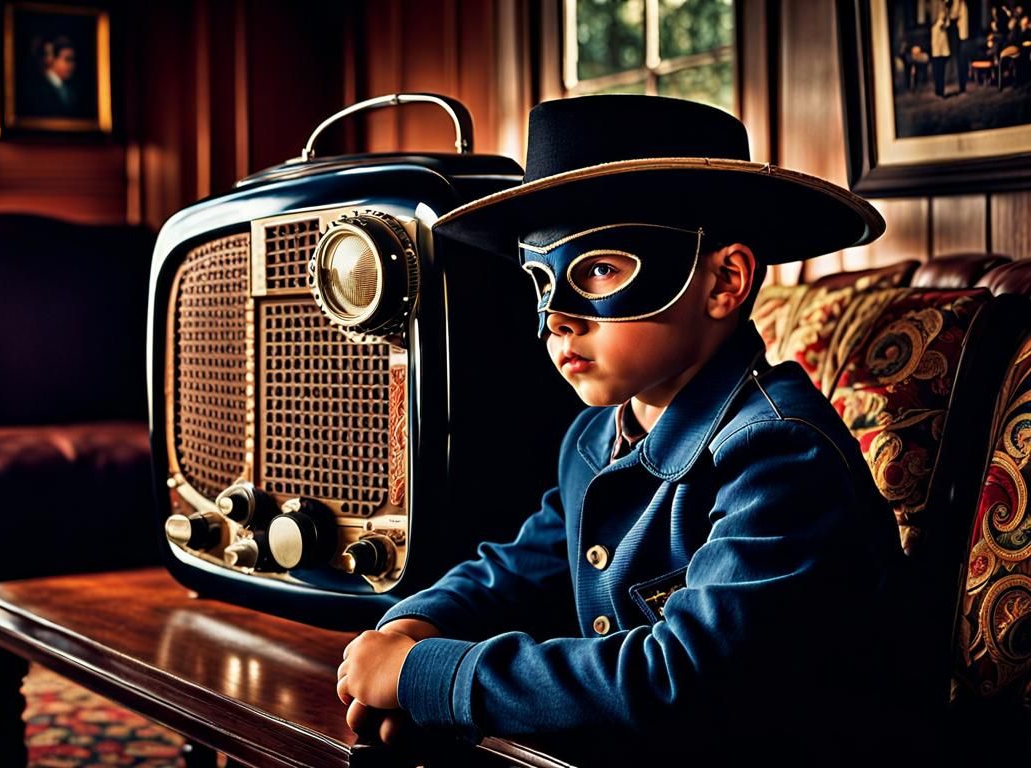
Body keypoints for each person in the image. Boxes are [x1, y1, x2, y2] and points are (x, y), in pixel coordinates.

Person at [334, 95, 924, 761]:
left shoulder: (780, 454)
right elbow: (521, 567)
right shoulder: (595, 436)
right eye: (539, 280)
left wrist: (429, 676)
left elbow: (678, 679)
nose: (557, 317)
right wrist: (413, 626)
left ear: (725, 281)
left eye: (599, 269)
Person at [20, 34, 79, 117]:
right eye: (67, 59)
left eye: (73, 60)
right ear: (52, 59)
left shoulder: (70, 90)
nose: (72, 65)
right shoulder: (38, 90)